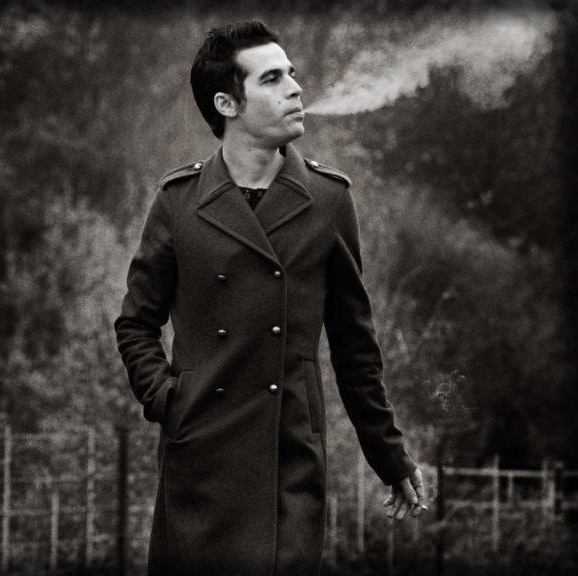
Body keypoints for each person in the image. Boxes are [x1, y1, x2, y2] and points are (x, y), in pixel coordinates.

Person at [115, 21, 425, 576]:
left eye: (293, 74)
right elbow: (136, 324)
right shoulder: (178, 201)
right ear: (227, 104)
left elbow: (355, 347)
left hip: (288, 460)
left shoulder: (328, 200)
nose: (296, 88)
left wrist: (389, 453)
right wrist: (168, 399)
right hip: (199, 456)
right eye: (273, 78)